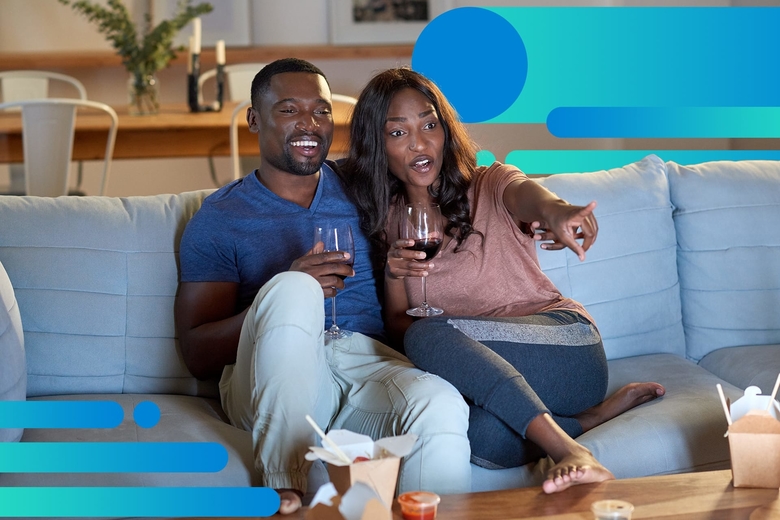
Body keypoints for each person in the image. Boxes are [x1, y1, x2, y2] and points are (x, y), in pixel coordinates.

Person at [342, 67, 666, 494]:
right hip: (504, 379)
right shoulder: (387, 222)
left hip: (566, 353)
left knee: (430, 334)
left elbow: (534, 197)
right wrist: (391, 274)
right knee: (476, 435)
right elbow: (404, 331)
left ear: (446, 130)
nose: (420, 143)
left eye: (429, 124)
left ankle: (570, 452)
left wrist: (560, 213)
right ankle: (590, 420)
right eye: (398, 133)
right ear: (378, 144)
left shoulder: (491, 182)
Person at [174, 59, 471, 515]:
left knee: (441, 401)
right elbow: (196, 352)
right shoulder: (220, 218)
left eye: (322, 111)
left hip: (363, 362)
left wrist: (537, 209)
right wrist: (287, 288)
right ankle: (283, 492)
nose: (309, 124)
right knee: (293, 290)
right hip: (276, 375)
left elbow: (442, 171)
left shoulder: (363, 185)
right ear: (255, 119)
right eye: (290, 110)